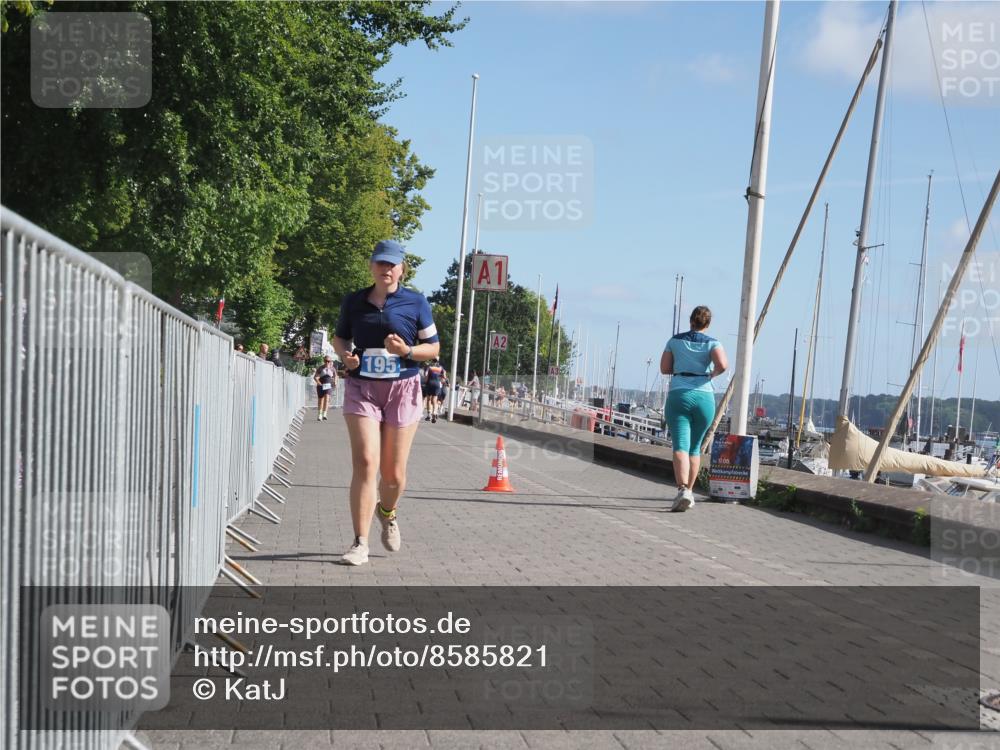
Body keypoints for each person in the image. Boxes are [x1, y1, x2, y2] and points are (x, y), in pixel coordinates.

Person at [333, 239, 440, 566]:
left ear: (401, 269)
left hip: (402, 389)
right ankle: (360, 542)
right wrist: (346, 357)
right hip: (362, 387)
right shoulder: (354, 302)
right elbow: (341, 338)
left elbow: (433, 348)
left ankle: (388, 512)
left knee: (393, 476)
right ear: (372, 266)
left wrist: (406, 351)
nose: (386, 269)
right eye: (380, 263)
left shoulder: (415, 302)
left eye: (392, 264)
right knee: (366, 462)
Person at [660, 305, 728, 512]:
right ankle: (689, 491)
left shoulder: (674, 341)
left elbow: (664, 368)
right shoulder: (713, 343)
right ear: (708, 324)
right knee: (695, 447)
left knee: (680, 445)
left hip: (679, 394)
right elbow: (723, 364)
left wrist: (682, 366)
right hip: (704, 397)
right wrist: (711, 374)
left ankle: (682, 490)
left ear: (690, 320)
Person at [313, 356, 337, 421]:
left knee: (327, 398)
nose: (327, 362)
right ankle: (319, 415)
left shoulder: (332, 368)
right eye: (325, 361)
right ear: (324, 361)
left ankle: (324, 414)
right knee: (321, 400)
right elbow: (315, 377)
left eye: (328, 361)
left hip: (328, 385)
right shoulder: (320, 368)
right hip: (321, 385)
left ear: (330, 361)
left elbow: (335, 376)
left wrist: (335, 382)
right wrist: (318, 382)